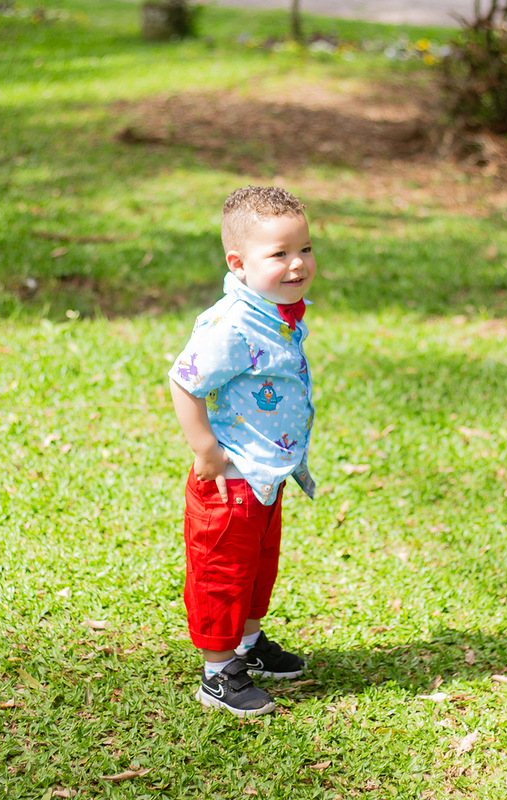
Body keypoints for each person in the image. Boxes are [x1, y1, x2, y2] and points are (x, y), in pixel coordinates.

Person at [168, 185, 318, 717]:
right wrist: (205, 448)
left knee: (258, 566)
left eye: (303, 248)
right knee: (223, 571)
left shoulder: (275, 308)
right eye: (279, 254)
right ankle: (216, 672)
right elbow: (184, 381)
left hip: (265, 472)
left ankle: (248, 647)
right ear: (239, 261)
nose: (297, 263)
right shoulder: (232, 323)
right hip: (229, 478)